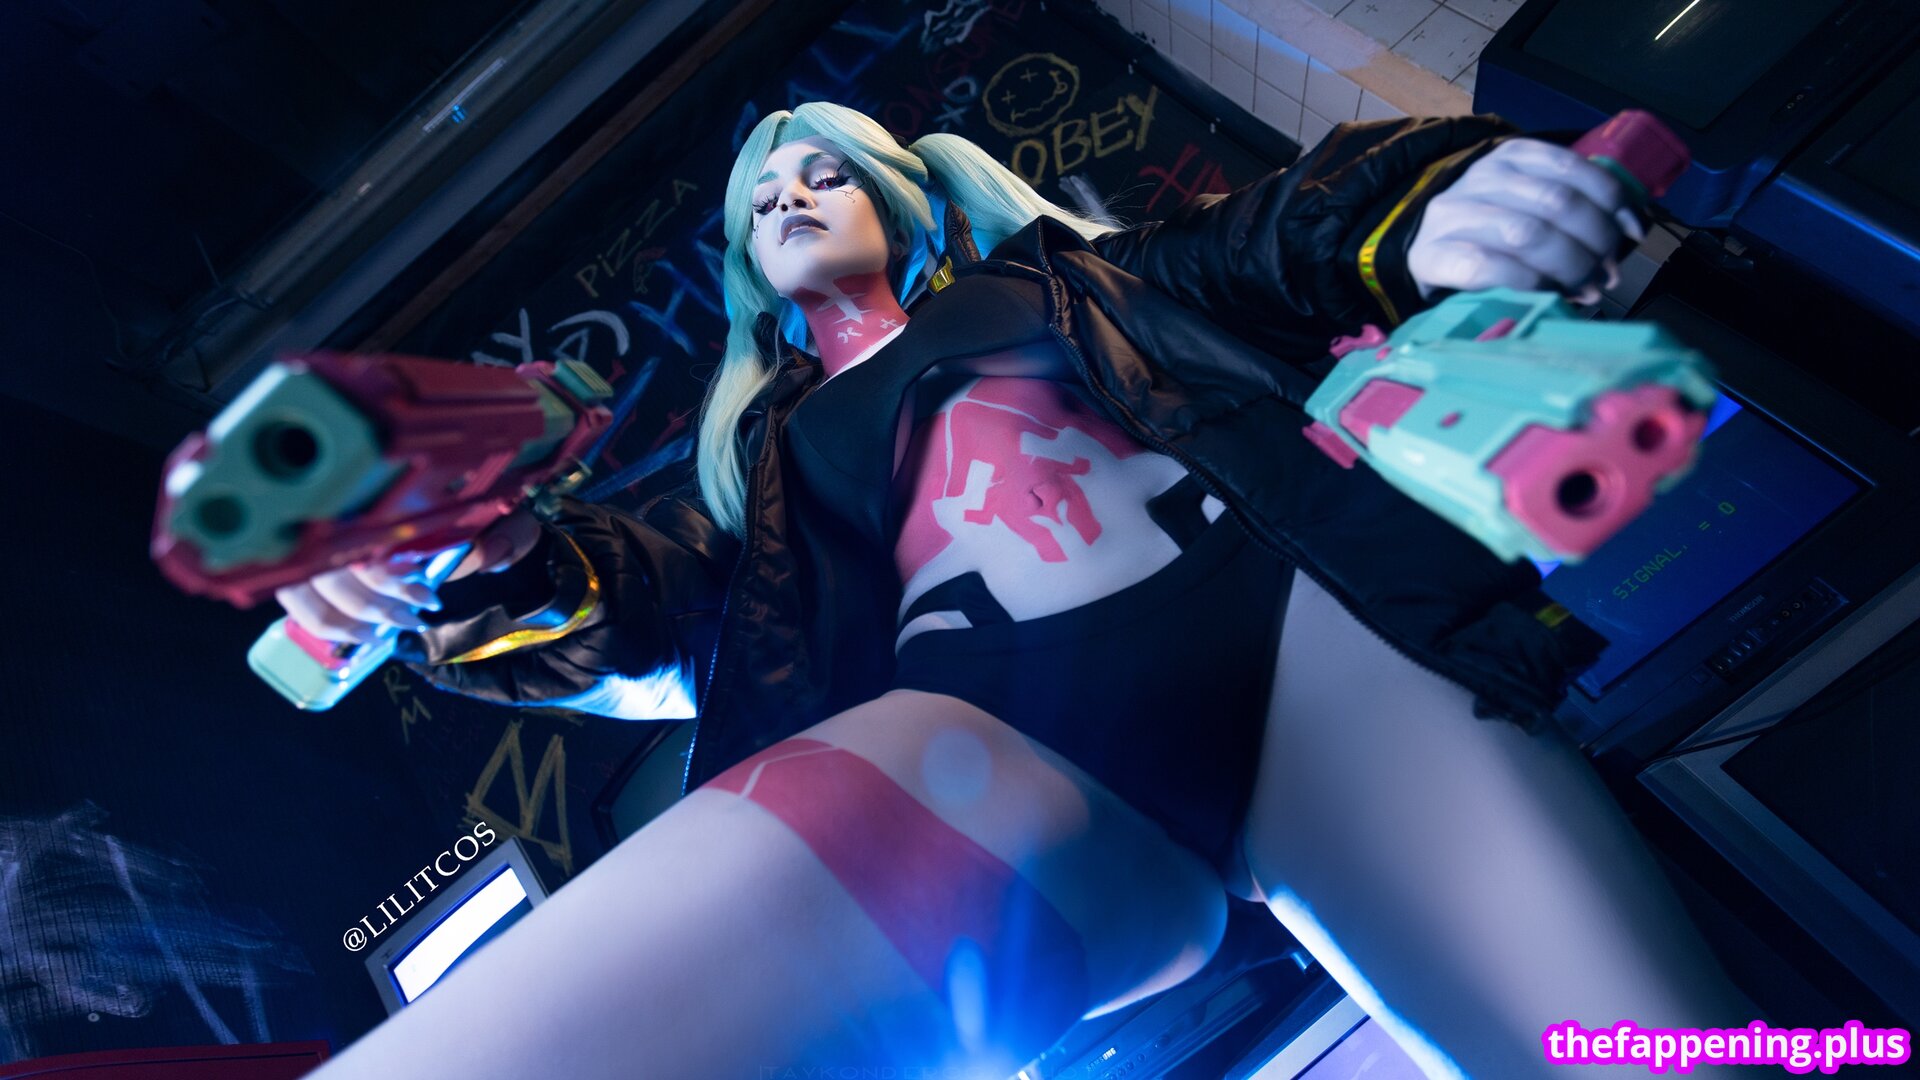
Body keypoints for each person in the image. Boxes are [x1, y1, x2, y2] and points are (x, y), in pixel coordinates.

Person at [286, 103, 1756, 1078]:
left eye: (824, 172)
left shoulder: (1072, 278)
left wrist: (1431, 207)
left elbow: (1279, 233)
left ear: (899, 193)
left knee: (1651, 1055)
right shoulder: (758, 474)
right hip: (999, 758)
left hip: (1299, 632)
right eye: (763, 199)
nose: (793, 199)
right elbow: (637, 605)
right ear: (744, 262)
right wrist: (471, 570)